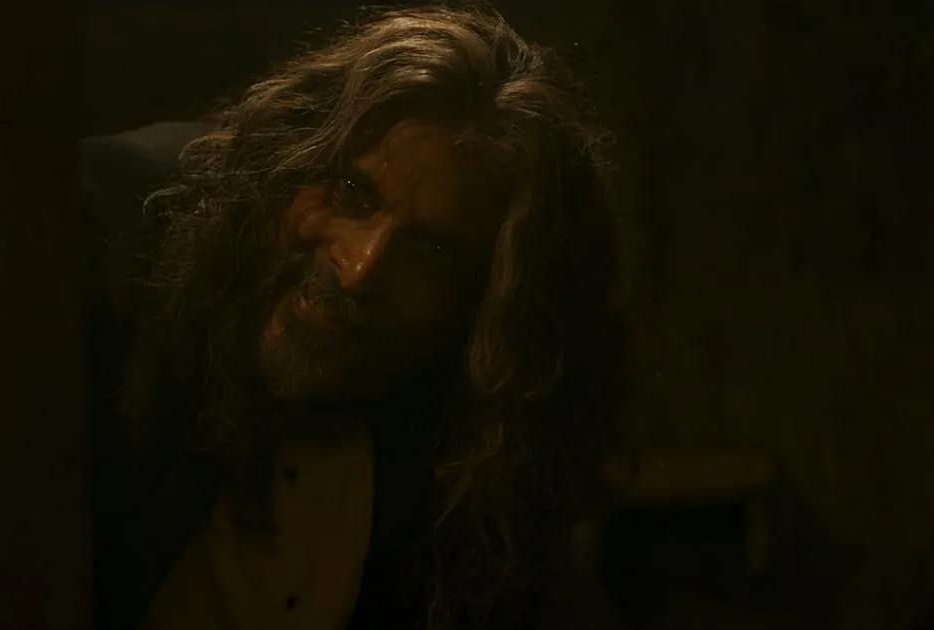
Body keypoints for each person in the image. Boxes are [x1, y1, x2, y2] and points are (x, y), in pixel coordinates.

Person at [79, 4, 632, 629]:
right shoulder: (109, 230)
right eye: (351, 193)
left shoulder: (464, 446)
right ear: (286, 156)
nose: (362, 269)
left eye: (432, 251)